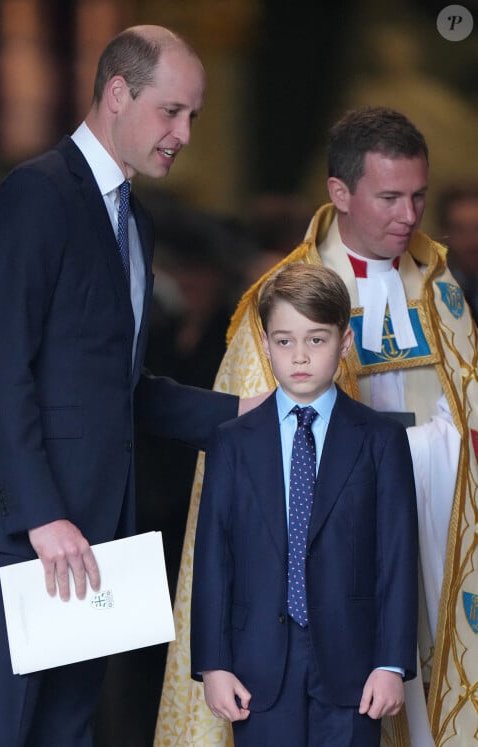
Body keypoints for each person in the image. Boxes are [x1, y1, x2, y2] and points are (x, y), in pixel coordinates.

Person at [0, 25, 262, 747]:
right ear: (117, 93)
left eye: (194, 117)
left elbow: (119, 388)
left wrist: (244, 412)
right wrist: (43, 516)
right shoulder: (32, 197)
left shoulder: (135, 221)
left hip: (93, 543)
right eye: (171, 111)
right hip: (15, 535)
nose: (184, 133)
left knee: (66, 734)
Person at [155, 107, 478, 747]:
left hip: (442, 527)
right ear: (340, 193)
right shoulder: (285, 298)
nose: (408, 216)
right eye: (389, 197)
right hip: (319, 583)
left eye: (418, 197)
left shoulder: (443, 287)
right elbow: (238, 499)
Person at [191, 263, 418, 746]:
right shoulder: (231, 442)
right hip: (257, 668)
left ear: (345, 342)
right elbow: (214, 558)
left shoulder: (381, 440)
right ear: (266, 342)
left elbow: (397, 558)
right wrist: (213, 663)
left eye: (316, 340)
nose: (299, 357)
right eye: (283, 340)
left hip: (354, 668)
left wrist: (391, 662)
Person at [436, 182, 478, 323]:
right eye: (460, 231)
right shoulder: (431, 291)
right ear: (445, 234)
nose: (472, 242)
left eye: (477, 229)